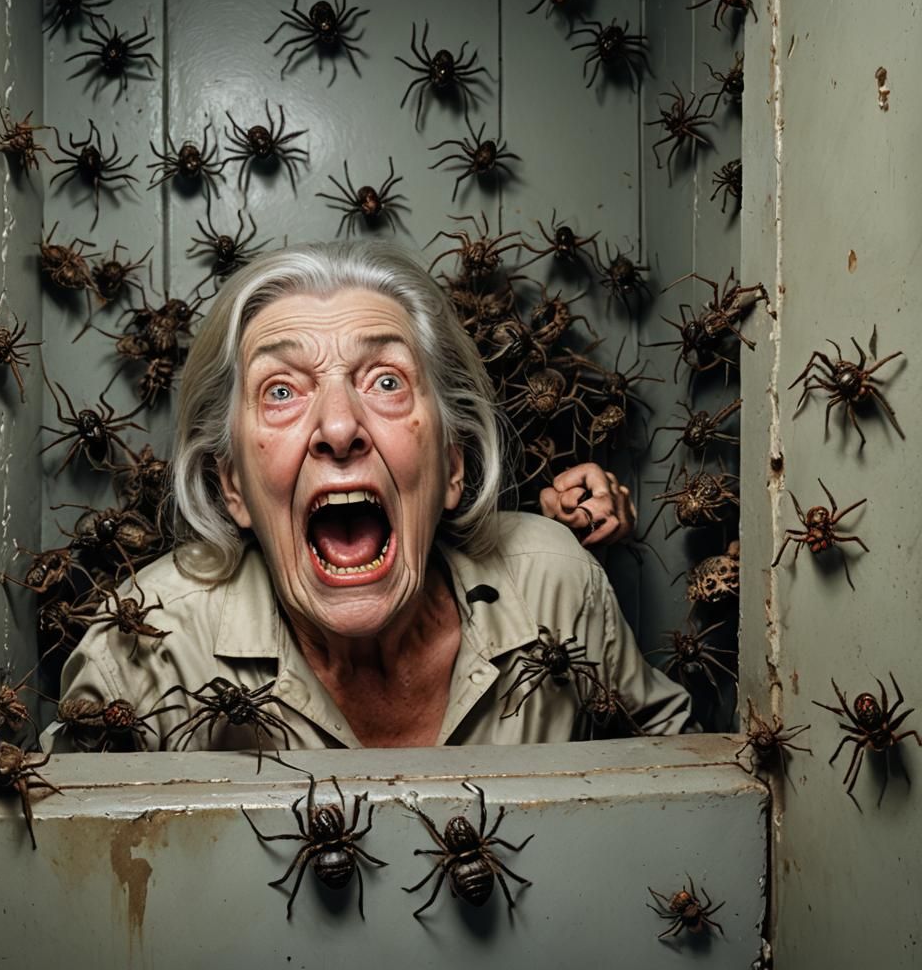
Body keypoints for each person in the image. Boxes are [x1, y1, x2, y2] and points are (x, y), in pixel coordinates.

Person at [55, 241, 692, 751]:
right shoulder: (141, 655)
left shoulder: (557, 587)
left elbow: (683, 793)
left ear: (451, 466)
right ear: (232, 487)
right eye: (281, 390)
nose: (338, 428)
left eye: (386, 380)